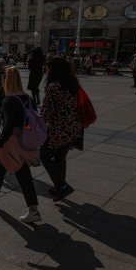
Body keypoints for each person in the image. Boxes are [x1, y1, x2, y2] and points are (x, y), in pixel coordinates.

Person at [0, 66, 42, 223]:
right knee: (1, 169)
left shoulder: (9, 101)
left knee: (20, 173)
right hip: (25, 141)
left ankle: (33, 210)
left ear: (6, 81)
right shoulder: (28, 98)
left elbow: (7, 126)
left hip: (11, 144)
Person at [39, 57, 83, 200]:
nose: (46, 70)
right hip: (72, 128)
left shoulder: (54, 87)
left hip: (58, 129)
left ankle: (62, 186)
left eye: (48, 67)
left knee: (44, 156)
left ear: (54, 70)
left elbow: (46, 112)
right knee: (60, 158)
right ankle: (60, 188)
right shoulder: (73, 83)